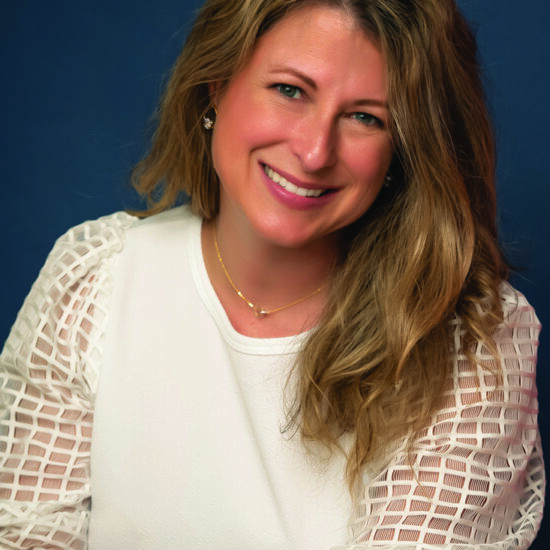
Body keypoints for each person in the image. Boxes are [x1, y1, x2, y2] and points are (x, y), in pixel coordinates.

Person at [0, 0, 544, 548]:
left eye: (365, 117)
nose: (313, 152)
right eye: (290, 90)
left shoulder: (471, 341)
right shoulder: (93, 278)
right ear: (216, 84)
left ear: (403, 151)